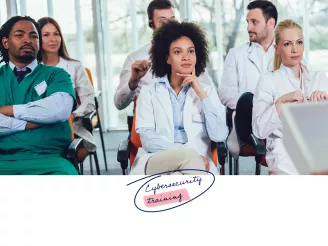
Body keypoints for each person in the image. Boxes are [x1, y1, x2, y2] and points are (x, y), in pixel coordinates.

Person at [129, 21, 228, 175]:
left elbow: (220, 135)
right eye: (177, 52)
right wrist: (187, 154)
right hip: (158, 160)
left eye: (191, 51)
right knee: (190, 173)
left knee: (180, 180)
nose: (186, 57)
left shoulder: (206, 92)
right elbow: (148, 140)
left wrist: (201, 94)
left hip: (199, 164)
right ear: (167, 58)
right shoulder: (149, 92)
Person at [0, 16, 78, 175]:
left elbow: (59, 110)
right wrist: (33, 121)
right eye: (19, 35)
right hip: (3, 160)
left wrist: (8, 110)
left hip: (50, 161)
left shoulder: (57, 75)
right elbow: (50, 112)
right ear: (6, 42)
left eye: (33, 36)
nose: (27, 40)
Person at [252, 19, 328, 175]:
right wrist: (279, 104)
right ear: (277, 49)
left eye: (299, 42)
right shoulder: (268, 81)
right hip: (285, 158)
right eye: (287, 44)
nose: (295, 49)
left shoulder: (319, 78)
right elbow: (259, 130)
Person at [114, 0, 214, 111]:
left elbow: (210, 95)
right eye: (162, 21)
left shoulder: (190, 55)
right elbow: (119, 104)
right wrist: (133, 81)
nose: (169, 26)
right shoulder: (135, 59)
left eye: (172, 20)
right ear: (151, 24)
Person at [219, 0, 277, 157]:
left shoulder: (286, 52)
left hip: (277, 120)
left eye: (254, 22)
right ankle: (257, 138)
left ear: (271, 23)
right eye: (247, 22)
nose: (248, 28)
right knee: (247, 99)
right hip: (247, 122)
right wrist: (256, 104)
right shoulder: (236, 54)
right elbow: (225, 93)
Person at [37, 17, 96, 161]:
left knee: (59, 158)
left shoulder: (75, 66)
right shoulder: (33, 69)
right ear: (37, 39)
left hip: (71, 128)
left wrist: (73, 116)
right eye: (46, 35)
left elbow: (89, 102)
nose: (53, 39)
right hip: (39, 128)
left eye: (56, 34)